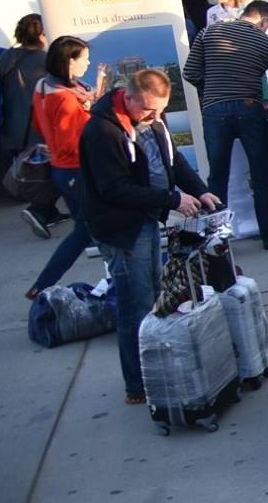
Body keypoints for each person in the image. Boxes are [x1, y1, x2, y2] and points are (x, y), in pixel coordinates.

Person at [78, 69, 220, 404]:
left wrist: (200, 191)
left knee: (153, 296)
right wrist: (172, 200)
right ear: (128, 98)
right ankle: (138, 385)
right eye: (148, 111)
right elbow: (114, 189)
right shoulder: (102, 131)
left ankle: (156, 369)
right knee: (135, 305)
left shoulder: (153, 119)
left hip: (145, 219)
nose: (155, 117)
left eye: (159, 111)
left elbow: (173, 161)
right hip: (122, 229)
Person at [185, 0, 268, 250]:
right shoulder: (267, 43)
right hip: (250, 109)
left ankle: (217, 240)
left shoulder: (208, 32)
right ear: (265, 21)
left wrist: (211, 91)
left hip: (214, 112)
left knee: (217, 177)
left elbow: (190, 72)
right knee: (261, 175)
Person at [24, 36, 98, 297]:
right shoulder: (67, 99)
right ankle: (41, 285)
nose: (88, 63)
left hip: (61, 168)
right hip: (75, 169)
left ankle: (41, 285)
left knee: (89, 229)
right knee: (87, 230)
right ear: (69, 61)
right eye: (84, 59)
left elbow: (37, 126)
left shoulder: (43, 86)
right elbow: (70, 143)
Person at [0, 14, 48, 196]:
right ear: (42, 34)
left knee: (26, 164)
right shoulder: (45, 59)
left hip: (11, 123)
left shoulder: (5, 57)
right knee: (41, 168)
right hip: (35, 125)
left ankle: (37, 203)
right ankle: (40, 208)